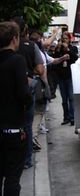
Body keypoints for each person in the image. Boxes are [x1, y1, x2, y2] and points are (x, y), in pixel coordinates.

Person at [0, 21, 32, 196]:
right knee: (12, 178)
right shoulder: (16, 60)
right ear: (14, 39)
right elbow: (23, 94)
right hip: (13, 128)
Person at [12, 17, 45, 169]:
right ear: (25, 30)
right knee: (27, 125)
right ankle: (26, 160)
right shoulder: (31, 46)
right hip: (27, 86)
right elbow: (40, 69)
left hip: (8, 88)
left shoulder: (6, 47)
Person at [53, 32, 78, 125]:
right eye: (63, 39)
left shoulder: (72, 48)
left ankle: (72, 118)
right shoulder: (59, 49)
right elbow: (53, 60)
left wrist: (67, 49)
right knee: (64, 99)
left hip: (70, 76)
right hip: (61, 77)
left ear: (69, 39)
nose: (64, 40)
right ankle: (66, 118)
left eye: (66, 38)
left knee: (71, 98)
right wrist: (58, 49)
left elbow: (76, 58)